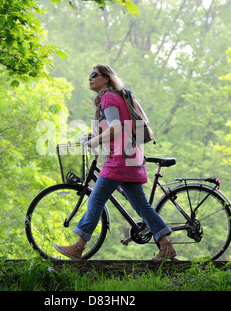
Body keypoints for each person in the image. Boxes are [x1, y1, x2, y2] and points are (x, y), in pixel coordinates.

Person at [53, 64, 177, 261]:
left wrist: (93, 141)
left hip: (118, 161)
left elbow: (116, 129)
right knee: (141, 206)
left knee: (95, 200)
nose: (90, 78)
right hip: (131, 158)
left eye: (94, 74)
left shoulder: (109, 97)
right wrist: (91, 137)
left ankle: (78, 248)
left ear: (107, 79)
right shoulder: (115, 97)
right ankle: (166, 245)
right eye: (90, 74)